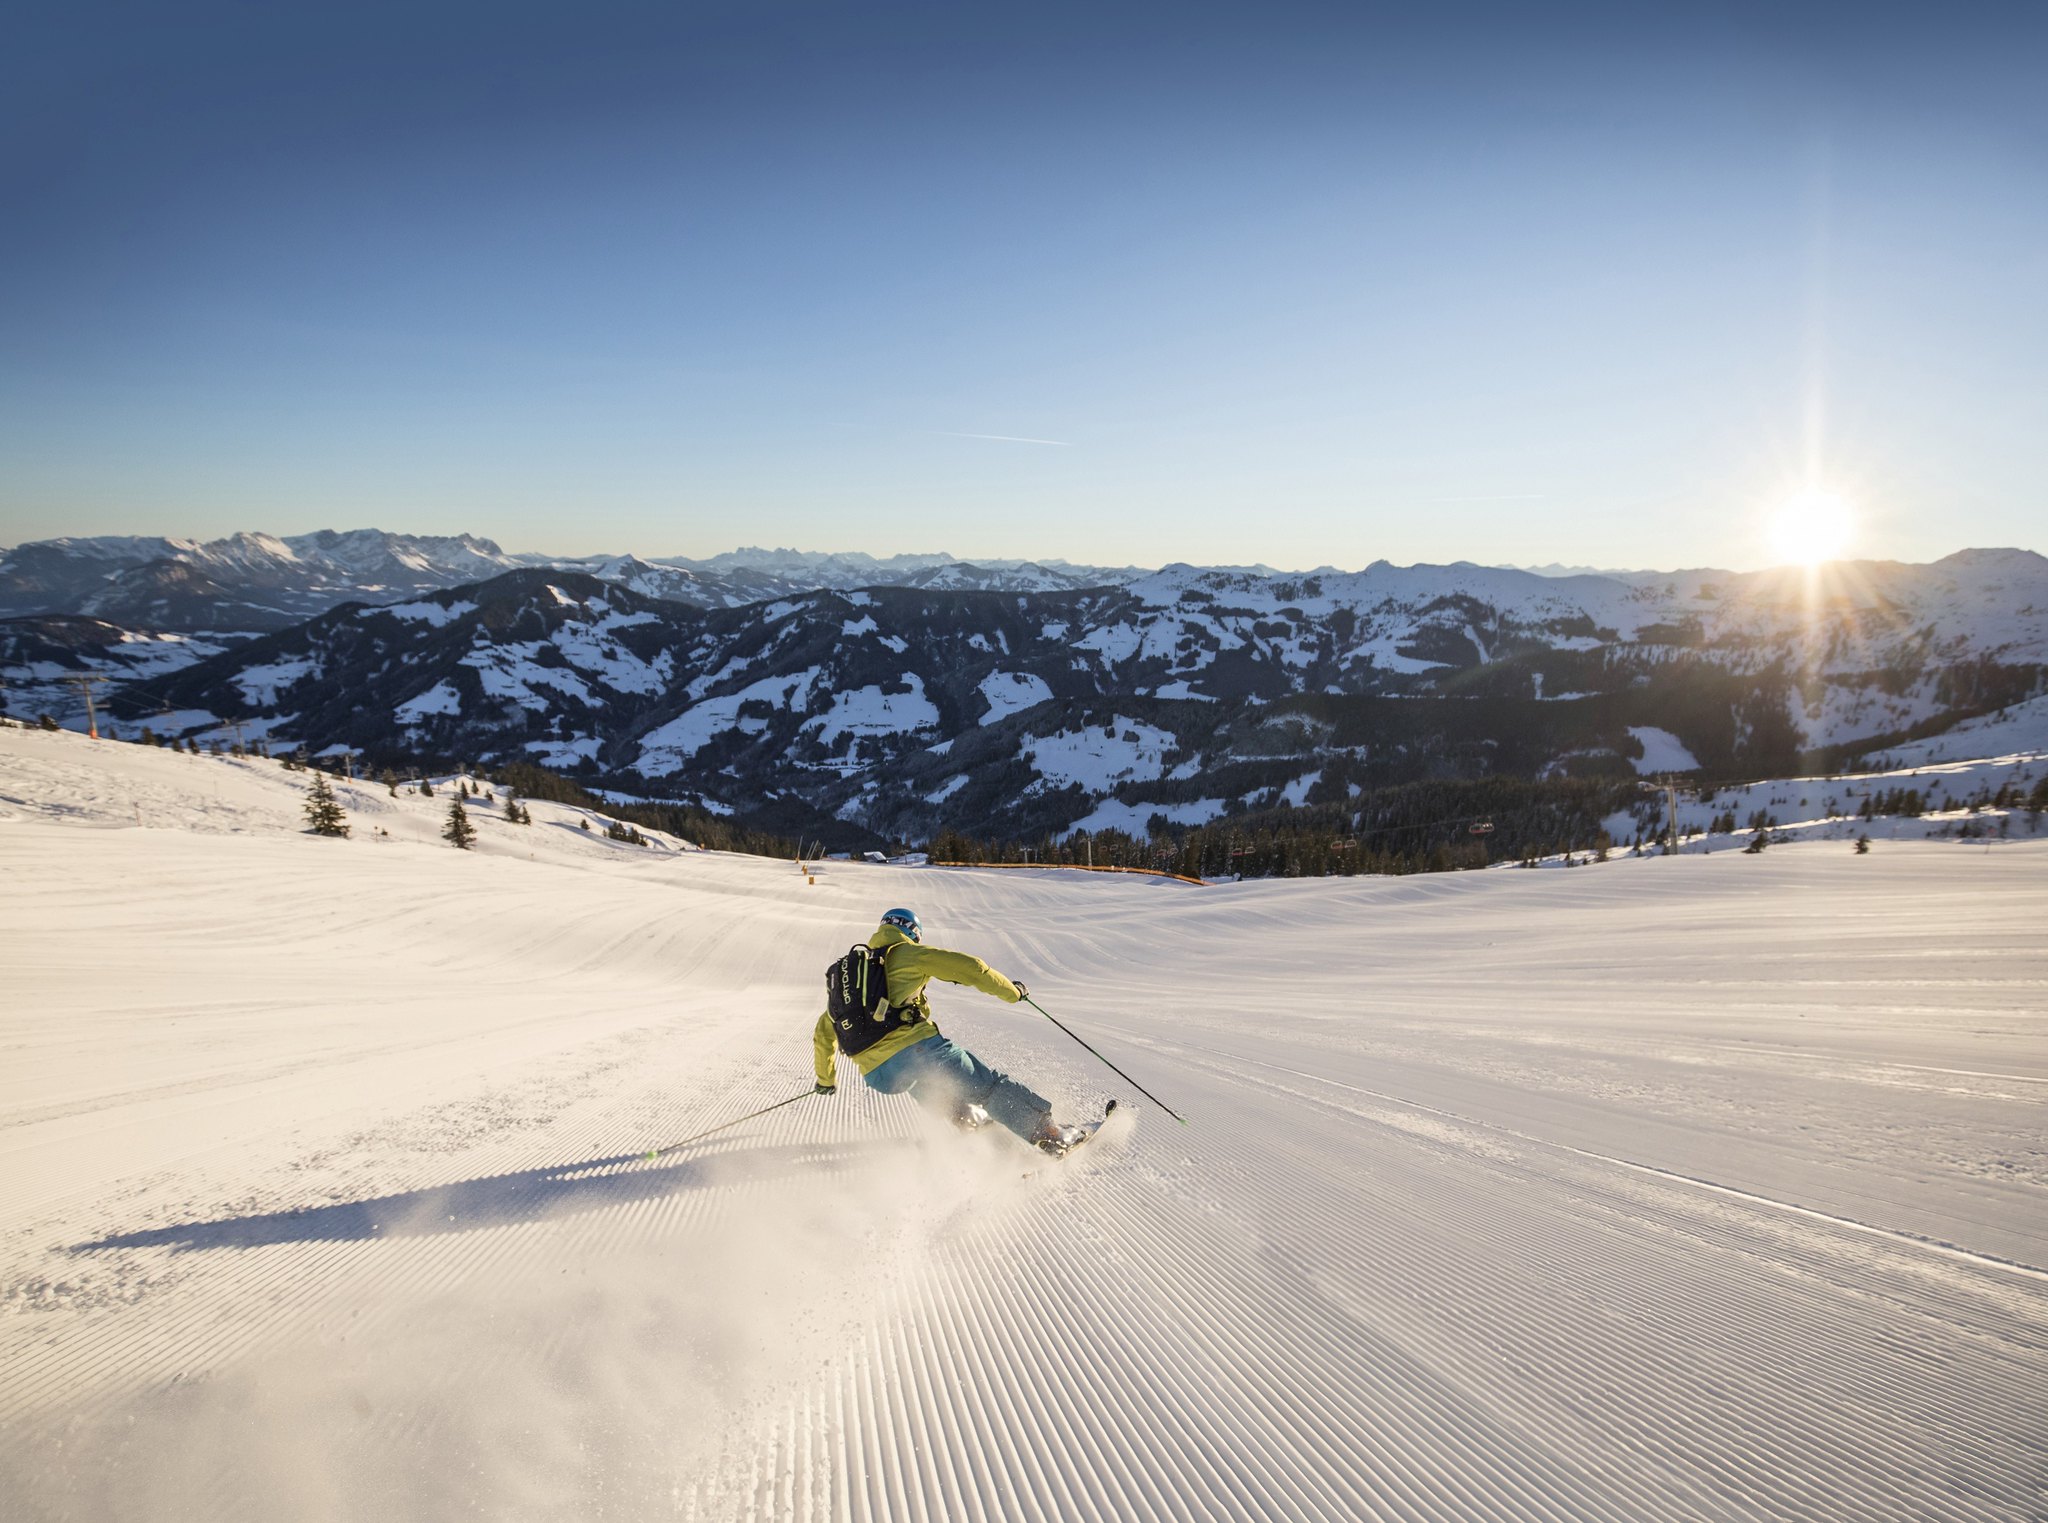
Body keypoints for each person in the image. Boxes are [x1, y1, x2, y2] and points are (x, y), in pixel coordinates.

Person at [812, 907, 1085, 1155]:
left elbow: (824, 1032)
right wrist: (1012, 992)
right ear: (913, 933)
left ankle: (970, 1122)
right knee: (987, 1086)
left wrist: (826, 1080)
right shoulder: (907, 954)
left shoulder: (856, 979)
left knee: (926, 1083)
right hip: (916, 1050)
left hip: (877, 1076)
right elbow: (971, 968)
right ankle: (1053, 1136)